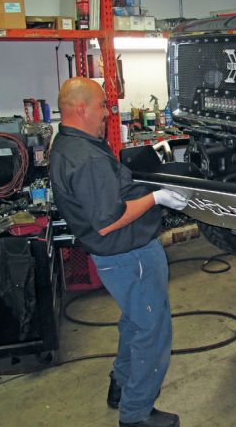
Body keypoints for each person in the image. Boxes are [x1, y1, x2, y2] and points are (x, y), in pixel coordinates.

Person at [49, 77, 187, 427]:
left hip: (116, 257)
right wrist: (156, 198)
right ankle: (136, 415)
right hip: (130, 253)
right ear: (81, 109)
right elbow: (108, 221)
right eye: (101, 106)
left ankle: (121, 385)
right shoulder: (86, 158)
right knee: (151, 331)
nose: (106, 114)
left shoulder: (67, 144)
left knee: (133, 321)